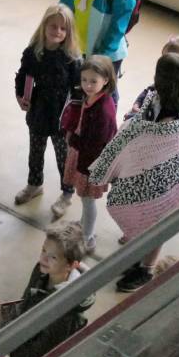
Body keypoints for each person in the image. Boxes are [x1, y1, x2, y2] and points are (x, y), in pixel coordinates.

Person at [90, 53, 179, 292]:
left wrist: (132, 131)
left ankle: (146, 269)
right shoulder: (157, 99)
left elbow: (139, 139)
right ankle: (139, 259)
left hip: (164, 180)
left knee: (154, 222)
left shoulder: (174, 117)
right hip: (159, 174)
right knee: (150, 224)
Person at [13, 4, 83, 218]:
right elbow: (23, 76)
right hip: (38, 111)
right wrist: (20, 96)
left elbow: (78, 90)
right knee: (36, 151)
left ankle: (67, 193)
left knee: (63, 157)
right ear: (44, 27)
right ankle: (34, 184)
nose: (58, 32)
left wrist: (76, 117)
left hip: (61, 117)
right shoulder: (33, 53)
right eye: (53, 26)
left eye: (63, 29)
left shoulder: (71, 59)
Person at [10, 221, 90, 357]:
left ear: (71, 265)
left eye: (53, 257)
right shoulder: (42, 272)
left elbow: (37, 354)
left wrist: (11, 347)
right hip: (23, 348)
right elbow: (25, 302)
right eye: (43, 250)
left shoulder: (66, 309)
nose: (43, 259)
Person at [61, 56, 118, 252]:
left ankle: (88, 237)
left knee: (88, 200)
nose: (87, 85)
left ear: (106, 80)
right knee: (85, 200)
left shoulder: (103, 110)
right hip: (85, 155)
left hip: (91, 162)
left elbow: (95, 144)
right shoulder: (94, 97)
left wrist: (73, 141)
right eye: (84, 80)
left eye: (93, 81)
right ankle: (84, 223)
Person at [127, 35, 179, 120]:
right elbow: (150, 89)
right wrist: (138, 103)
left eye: (165, 58)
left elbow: (158, 126)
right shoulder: (166, 79)